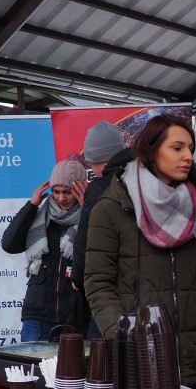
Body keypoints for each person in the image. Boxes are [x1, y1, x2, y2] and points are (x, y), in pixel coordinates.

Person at [83, 114, 196, 387]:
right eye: (177, 148)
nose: (188, 156)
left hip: (195, 358)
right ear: (151, 150)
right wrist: (123, 335)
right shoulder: (112, 207)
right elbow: (98, 284)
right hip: (140, 357)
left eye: (191, 148)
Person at [2, 159, 87, 342]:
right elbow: (9, 244)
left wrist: (88, 208)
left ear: (80, 189)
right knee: (33, 370)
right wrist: (31, 205)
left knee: (73, 371)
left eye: (68, 192)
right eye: (56, 191)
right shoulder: (41, 216)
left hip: (75, 315)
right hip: (37, 315)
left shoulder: (91, 216)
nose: (61, 198)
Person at [70, 121, 131, 337]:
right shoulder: (143, 178)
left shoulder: (99, 188)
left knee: (105, 365)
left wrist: (77, 277)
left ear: (94, 160)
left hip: (111, 298)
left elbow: (85, 243)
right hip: (147, 296)